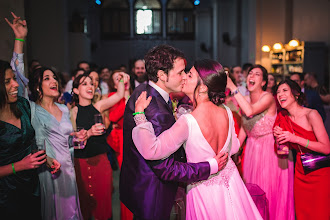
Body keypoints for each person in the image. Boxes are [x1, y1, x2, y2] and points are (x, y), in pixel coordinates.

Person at [132, 59, 263, 220]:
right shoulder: (227, 112)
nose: (184, 77)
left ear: (202, 87)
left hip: (204, 191)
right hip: (233, 185)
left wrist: (139, 115)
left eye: (190, 74)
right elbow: (234, 147)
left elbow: (152, 150)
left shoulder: (188, 121)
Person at [120, 45, 228, 220]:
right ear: (162, 75)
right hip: (153, 190)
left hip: (139, 183)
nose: (185, 76)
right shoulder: (156, 110)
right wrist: (208, 166)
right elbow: (165, 168)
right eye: (180, 72)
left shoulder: (144, 91)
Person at [7, 13, 83, 219]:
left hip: (68, 170)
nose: (54, 81)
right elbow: (17, 71)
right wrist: (20, 39)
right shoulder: (30, 108)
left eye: (55, 77)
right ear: (38, 86)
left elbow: (68, 140)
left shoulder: (66, 109)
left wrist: (78, 137)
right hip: (46, 171)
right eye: (47, 78)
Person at [226, 65, 295, 220]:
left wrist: (232, 87)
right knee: (253, 192)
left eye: (257, 74)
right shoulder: (246, 100)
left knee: (270, 191)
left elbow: (249, 111)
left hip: (270, 151)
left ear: (263, 82)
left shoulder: (268, 97)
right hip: (252, 150)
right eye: (250, 73)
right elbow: (246, 127)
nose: (252, 76)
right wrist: (232, 151)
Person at [0, 12, 46, 219]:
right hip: (6, 194)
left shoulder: (22, 105)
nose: (16, 84)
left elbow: (17, 69)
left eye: (14, 80)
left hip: (31, 185)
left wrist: (20, 39)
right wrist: (19, 166)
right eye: (7, 82)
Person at [71, 71, 129, 220]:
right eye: (85, 84)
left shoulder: (98, 106)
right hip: (81, 162)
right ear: (76, 90)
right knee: (84, 205)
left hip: (101, 161)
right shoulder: (72, 112)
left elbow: (120, 94)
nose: (90, 86)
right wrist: (89, 133)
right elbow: (74, 142)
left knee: (104, 205)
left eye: (91, 83)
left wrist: (120, 79)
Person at [273, 79, 330, 220]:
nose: (280, 95)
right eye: (278, 92)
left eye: (284, 91)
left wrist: (295, 138)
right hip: (300, 171)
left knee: (320, 213)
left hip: (319, 172)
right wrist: (278, 138)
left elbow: (326, 148)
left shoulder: (312, 114)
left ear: (296, 94)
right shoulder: (282, 117)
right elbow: (283, 153)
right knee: (302, 213)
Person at [107, 69, 133, 220]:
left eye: (124, 76)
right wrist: (124, 96)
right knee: (126, 181)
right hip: (122, 141)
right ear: (114, 84)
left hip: (136, 140)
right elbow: (113, 116)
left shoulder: (134, 94)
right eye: (118, 78)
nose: (122, 79)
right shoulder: (113, 97)